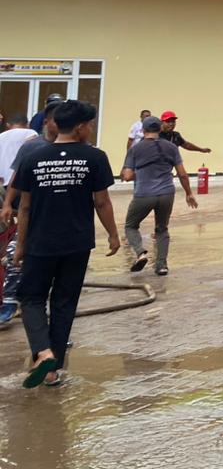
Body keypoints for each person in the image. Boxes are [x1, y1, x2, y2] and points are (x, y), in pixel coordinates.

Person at [12, 99, 120, 388]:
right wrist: (113, 234)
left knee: (31, 298)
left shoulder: (33, 158)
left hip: (39, 242)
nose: (92, 129)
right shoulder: (95, 157)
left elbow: (24, 208)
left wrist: (20, 246)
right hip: (77, 243)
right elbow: (102, 202)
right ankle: (51, 370)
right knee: (64, 301)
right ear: (82, 127)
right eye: (91, 125)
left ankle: (43, 352)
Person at [122, 116, 197, 276]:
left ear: (143, 130)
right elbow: (182, 174)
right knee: (162, 229)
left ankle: (141, 253)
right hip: (166, 193)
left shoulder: (135, 149)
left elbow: (127, 176)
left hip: (144, 194)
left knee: (131, 225)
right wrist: (189, 193)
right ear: (160, 129)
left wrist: (141, 173)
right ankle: (162, 266)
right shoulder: (171, 147)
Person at [0, 115, 38, 326]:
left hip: (5, 188)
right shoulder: (31, 137)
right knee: (17, 240)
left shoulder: (1, 136)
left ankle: (9, 299)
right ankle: (12, 298)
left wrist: (6, 202)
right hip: (21, 189)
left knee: (10, 237)